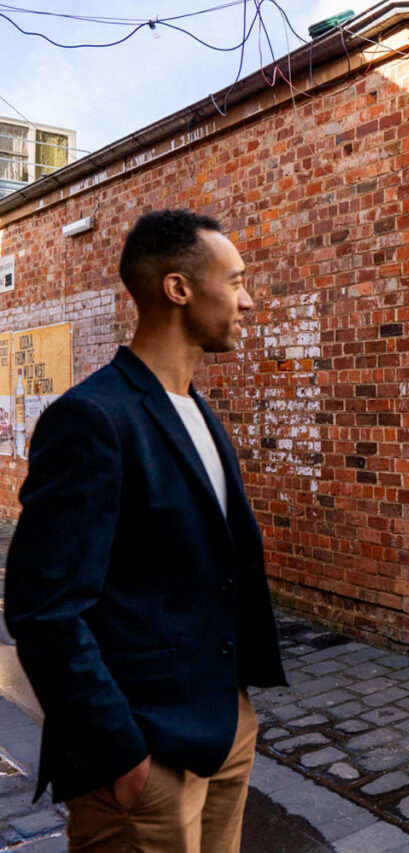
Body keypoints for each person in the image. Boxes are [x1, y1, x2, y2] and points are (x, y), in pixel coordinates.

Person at [4, 209, 285, 852]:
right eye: (236, 280)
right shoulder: (93, 419)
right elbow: (43, 610)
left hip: (222, 729)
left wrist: (240, 713)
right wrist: (120, 753)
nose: (248, 298)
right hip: (143, 755)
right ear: (179, 289)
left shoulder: (196, 411)